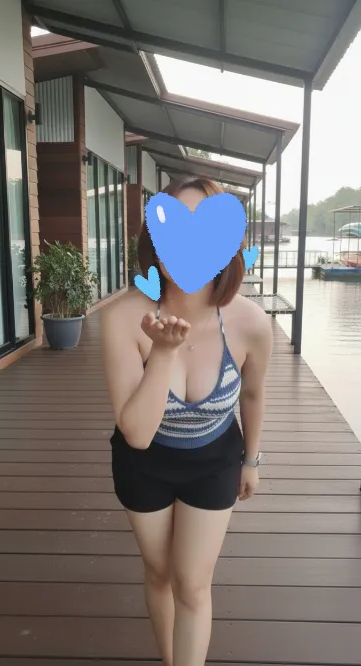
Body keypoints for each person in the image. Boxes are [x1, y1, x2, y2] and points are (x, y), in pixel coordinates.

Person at [101, 176, 273, 666]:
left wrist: (252, 461)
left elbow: (253, 394)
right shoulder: (122, 319)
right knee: (159, 574)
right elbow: (137, 434)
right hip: (144, 464)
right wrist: (163, 351)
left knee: (193, 585)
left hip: (215, 459)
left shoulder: (251, 323)